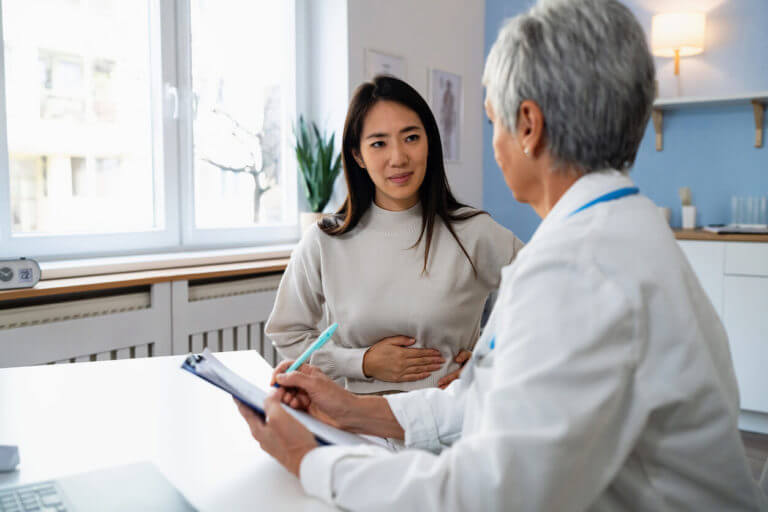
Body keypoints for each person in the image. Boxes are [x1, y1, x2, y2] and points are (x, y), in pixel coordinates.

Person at [236, 0, 767, 509]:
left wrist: (310, 462)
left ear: (528, 125)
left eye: (493, 120)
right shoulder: (620, 233)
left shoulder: (576, 269)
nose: (494, 143)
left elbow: (485, 493)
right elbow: (484, 405)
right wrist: (354, 408)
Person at [265, 75, 523, 393]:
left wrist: (490, 360)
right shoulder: (325, 241)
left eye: (411, 138)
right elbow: (286, 332)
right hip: (357, 424)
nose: (398, 158)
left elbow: (550, 293)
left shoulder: (474, 232)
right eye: (378, 143)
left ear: (429, 141)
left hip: (449, 426)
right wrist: (362, 363)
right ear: (358, 155)